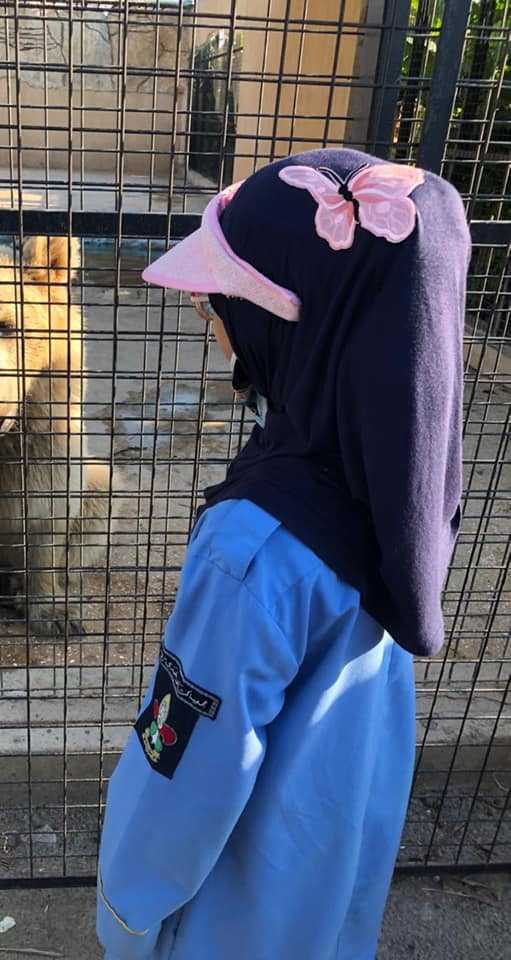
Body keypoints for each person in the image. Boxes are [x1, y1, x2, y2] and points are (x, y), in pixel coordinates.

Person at [95, 148, 470, 960]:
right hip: (329, 898)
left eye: (219, 301)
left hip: (230, 925)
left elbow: (183, 771)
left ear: (287, 322)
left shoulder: (250, 549)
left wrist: (125, 915)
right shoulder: (392, 489)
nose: (208, 317)